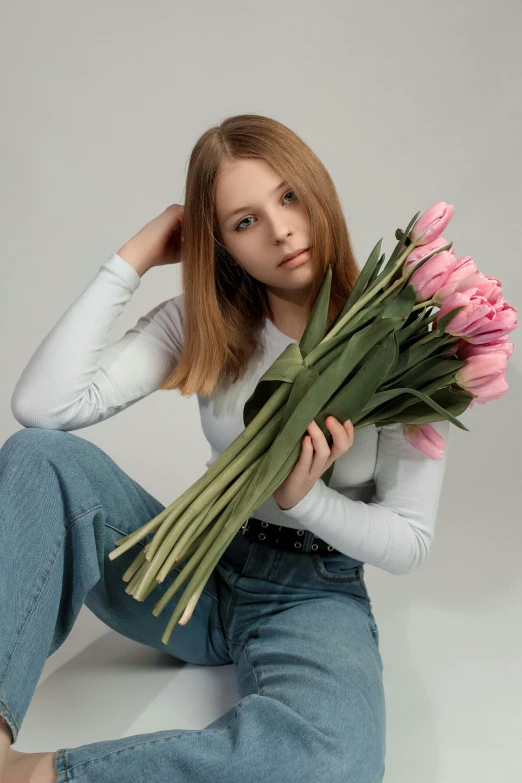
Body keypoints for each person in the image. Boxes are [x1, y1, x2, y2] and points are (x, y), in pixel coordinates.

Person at [0, 114, 450, 783]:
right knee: (39, 456)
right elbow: (43, 406)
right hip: (193, 569)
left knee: (335, 760)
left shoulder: (408, 345)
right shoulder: (205, 321)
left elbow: (410, 540)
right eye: (244, 221)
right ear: (222, 245)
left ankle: (34, 775)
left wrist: (309, 499)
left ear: (317, 190)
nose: (281, 230)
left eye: (289, 196)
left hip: (312, 595)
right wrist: (137, 254)